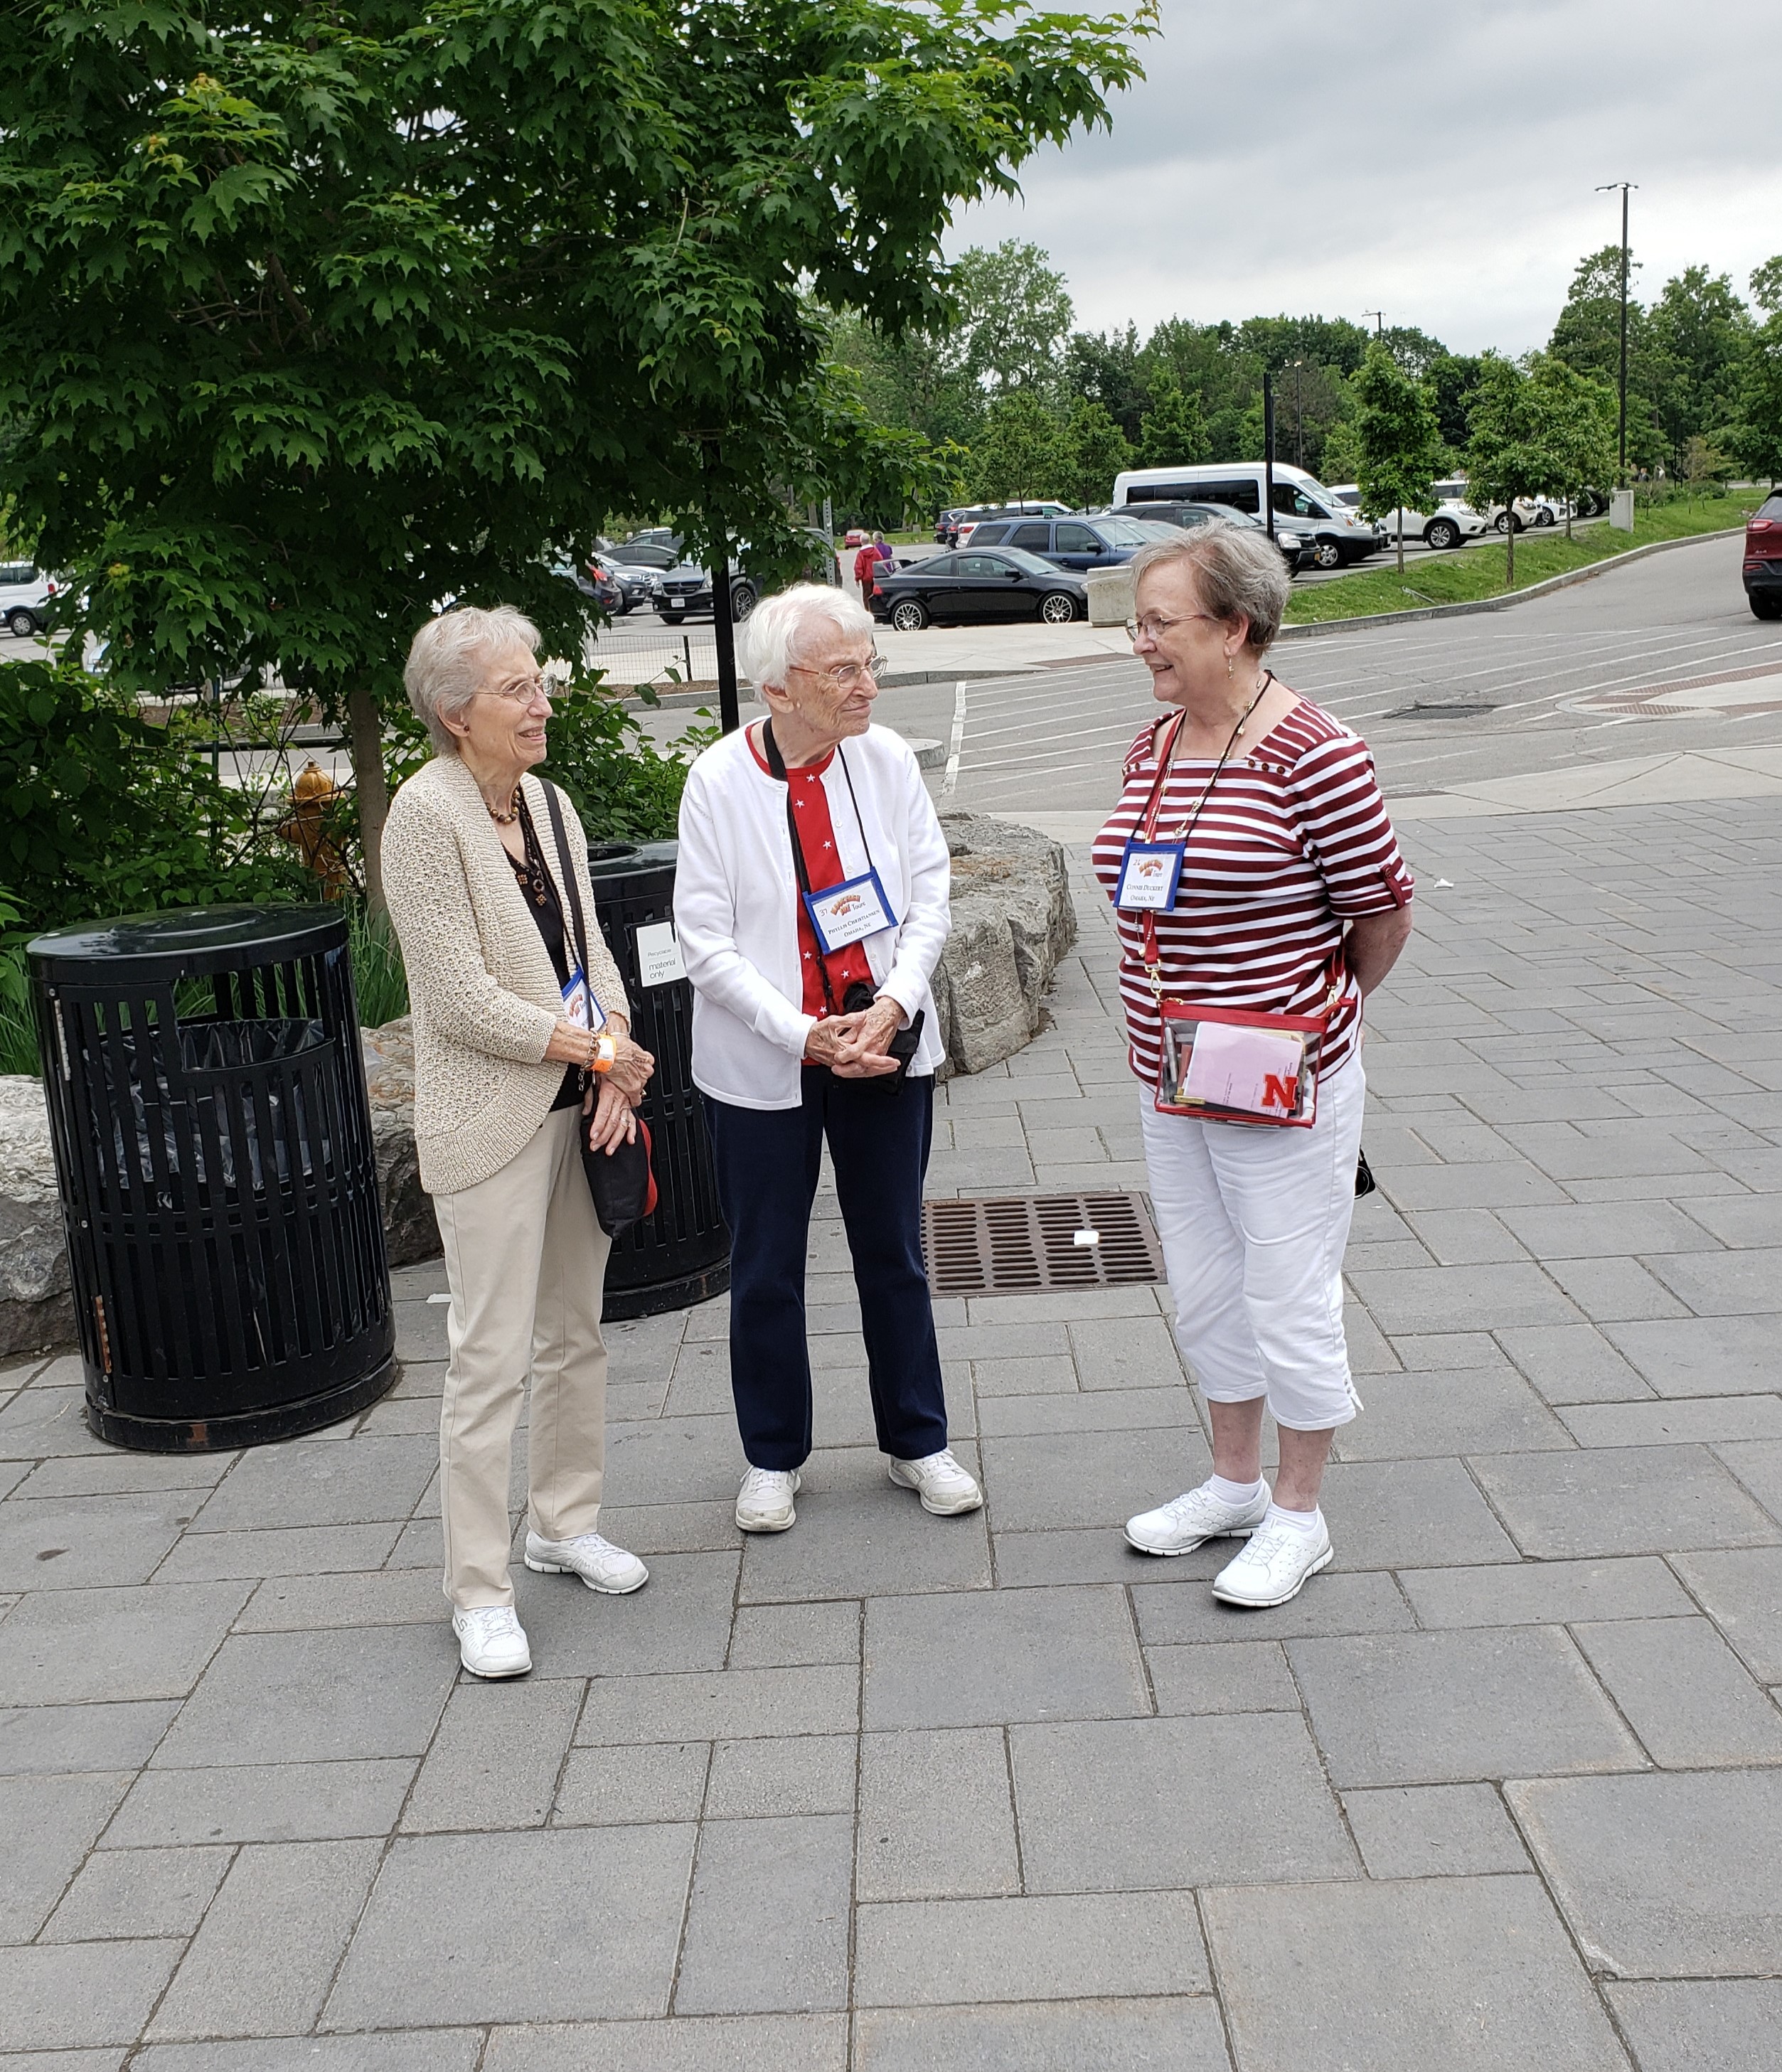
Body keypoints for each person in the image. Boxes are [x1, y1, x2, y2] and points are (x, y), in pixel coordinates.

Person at [1098, 523, 1414, 1608]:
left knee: (1287, 1290)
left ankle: (1297, 1511)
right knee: (1203, 1286)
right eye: (1136, 624)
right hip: (1169, 1071)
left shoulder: (1315, 752)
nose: (1141, 642)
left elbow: (1380, 913)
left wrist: (1310, 1016)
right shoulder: (1155, 745)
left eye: (1158, 623)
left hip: (1278, 1078)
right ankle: (1233, 1484)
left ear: (1233, 627)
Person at [383, 605, 656, 1678]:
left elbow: (592, 949)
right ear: (457, 715)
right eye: (518, 689)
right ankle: (479, 1591)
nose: (543, 703)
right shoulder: (423, 815)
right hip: (488, 1121)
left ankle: (562, 1523)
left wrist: (614, 1056)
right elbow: (459, 999)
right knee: (489, 1360)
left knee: (575, 1333)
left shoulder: (548, 803)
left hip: (580, 1105)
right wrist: (600, 1052)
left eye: (538, 682)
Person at [673, 582, 980, 1534]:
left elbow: (928, 895)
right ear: (778, 688)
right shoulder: (717, 781)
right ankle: (772, 1456)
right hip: (766, 1058)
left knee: (894, 1251)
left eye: (868, 664)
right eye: (843, 670)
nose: (867, 686)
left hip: (881, 1043)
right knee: (765, 1264)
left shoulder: (884, 761)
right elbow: (703, 940)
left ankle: (917, 1439)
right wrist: (798, 1032)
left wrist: (893, 1004)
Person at [852, 535, 882, 606]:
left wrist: (857, 578)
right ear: (869, 541)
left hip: (866, 579)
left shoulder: (860, 554)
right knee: (876, 595)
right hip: (875, 577)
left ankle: (868, 610)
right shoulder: (875, 551)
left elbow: (858, 567)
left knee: (867, 596)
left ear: (861, 542)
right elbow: (880, 561)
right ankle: (876, 609)